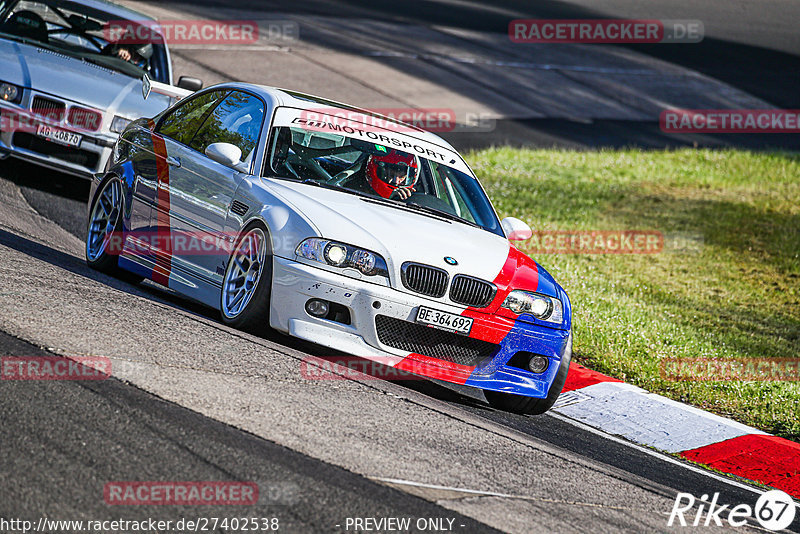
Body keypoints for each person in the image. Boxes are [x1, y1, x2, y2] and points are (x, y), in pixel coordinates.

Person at [341, 147, 420, 200]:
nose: (396, 181)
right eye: (390, 175)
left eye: (402, 177)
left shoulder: (411, 199)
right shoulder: (350, 191)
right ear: (374, 168)